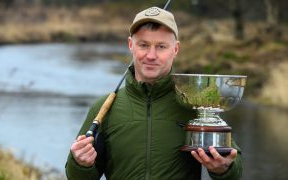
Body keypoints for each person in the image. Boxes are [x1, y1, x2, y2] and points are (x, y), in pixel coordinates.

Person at [65, 6, 242, 180]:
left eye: (161, 46)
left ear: (176, 49)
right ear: (130, 45)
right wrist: (81, 164)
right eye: (143, 45)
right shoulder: (103, 108)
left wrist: (223, 169)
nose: (151, 55)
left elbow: (234, 171)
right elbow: (76, 177)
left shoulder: (196, 104)